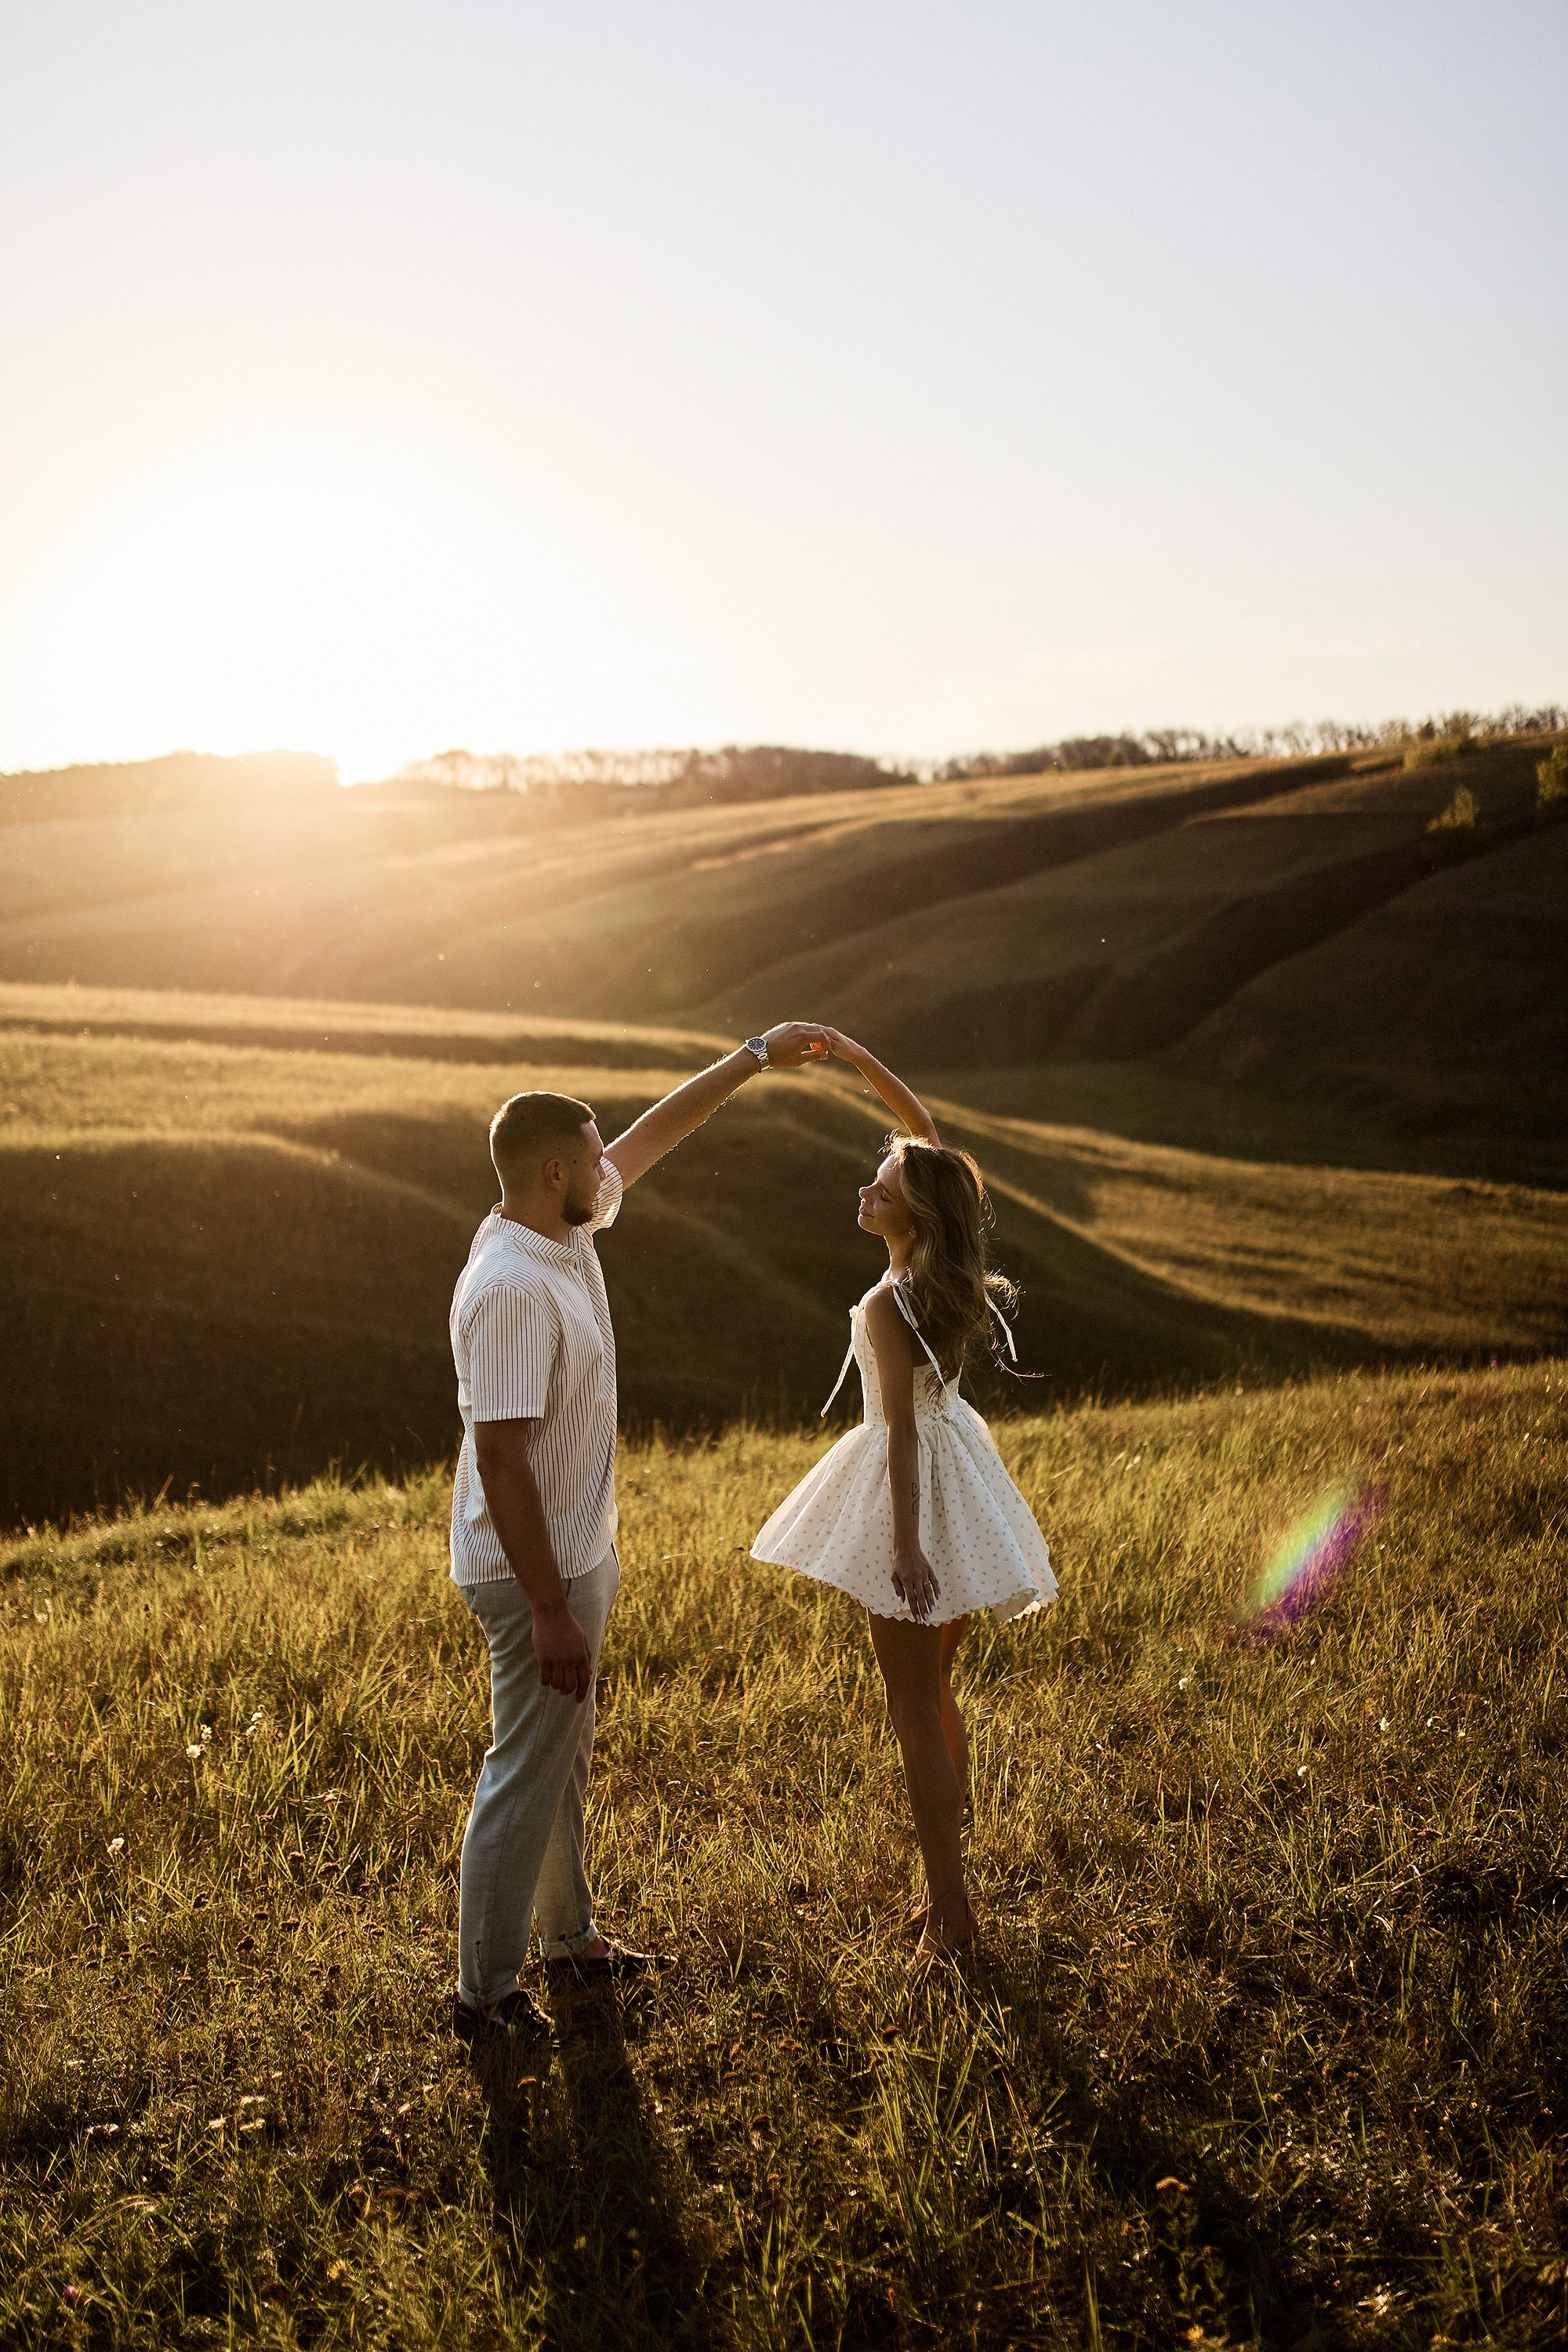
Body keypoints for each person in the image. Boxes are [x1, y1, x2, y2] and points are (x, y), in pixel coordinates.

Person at [450, 1022, 830, 2044]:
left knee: (560, 1759)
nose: (609, 1166)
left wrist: (753, 1057)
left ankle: (570, 1941)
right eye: (591, 1154)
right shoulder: (511, 1290)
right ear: (549, 1169)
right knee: (523, 1775)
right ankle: (482, 1999)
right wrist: (545, 1610)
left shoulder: (563, 1224)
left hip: (577, 1555)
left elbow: (655, 1139)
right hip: (534, 1573)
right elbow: (499, 1462)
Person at [751, 1028, 1056, 1963]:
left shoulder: (891, 1302)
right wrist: (850, 1053)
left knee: (911, 1708)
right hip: (964, 1465)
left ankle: (952, 1913)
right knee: (935, 1699)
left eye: (878, 1189)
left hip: (917, 1482)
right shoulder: (935, 1267)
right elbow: (922, 1136)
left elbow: (901, 1431)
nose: (863, 1189)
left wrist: (905, 1544)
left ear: (911, 1215)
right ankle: (942, 1894)